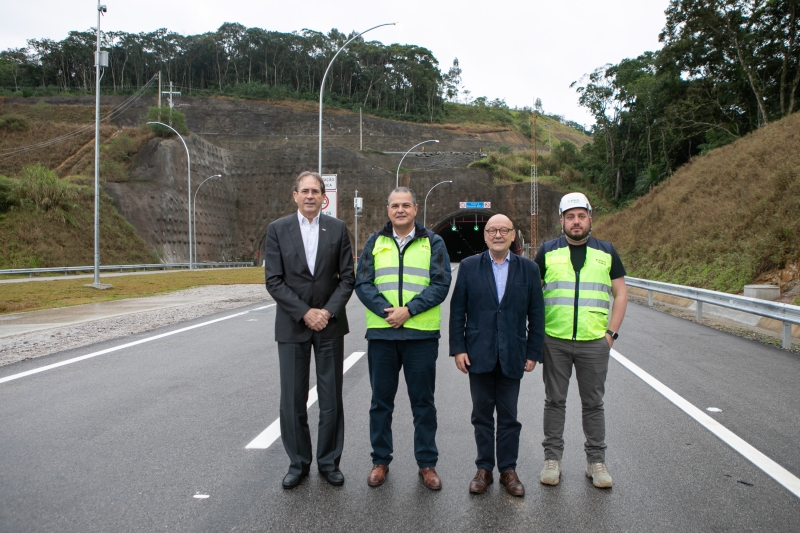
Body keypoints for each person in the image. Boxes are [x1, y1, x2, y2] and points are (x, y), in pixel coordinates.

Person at [355, 187, 452, 490]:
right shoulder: (375, 242)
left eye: (405, 205)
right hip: (383, 335)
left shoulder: (433, 242)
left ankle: (427, 464)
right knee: (380, 403)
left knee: (423, 403)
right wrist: (389, 313)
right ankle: (380, 460)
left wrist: (408, 311)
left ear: (415, 209)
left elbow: (441, 283)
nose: (400, 210)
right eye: (395, 205)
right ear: (388, 210)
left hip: (420, 337)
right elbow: (363, 282)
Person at [264, 171, 355, 489]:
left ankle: (329, 462)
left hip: (330, 326)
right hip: (292, 325)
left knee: (331, 398)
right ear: (295, 195)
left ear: (323, 197)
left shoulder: (339, 229)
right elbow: (273, 280)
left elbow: (348, 278)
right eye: (305, 191)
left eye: (316, 191)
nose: (310, 196)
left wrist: (327, 312)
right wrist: (305, 313)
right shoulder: (277, 230)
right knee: (292, 399)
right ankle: (298, 463)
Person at [534, 192, 628, 489]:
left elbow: (621, 294)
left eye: (581, 216)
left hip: (593, 342)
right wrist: (536, 334)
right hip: (555, 341)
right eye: (570, 216)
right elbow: (532, 296)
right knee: (555, 401)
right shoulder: (547, 251)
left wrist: (610, 334)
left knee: (593, 403)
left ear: (590, 218)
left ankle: (596, 462)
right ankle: (552, 459)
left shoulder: (607, 252)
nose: (576, 221)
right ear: (561, 220)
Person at [449, 214, 544, 497]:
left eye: (504, 230)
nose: (498, 234)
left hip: (513, 354)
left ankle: (508, 470)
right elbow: (457, 312)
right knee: (481, 416)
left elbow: (536, 315)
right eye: (492, 230)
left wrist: (533, 352)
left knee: (509, 417)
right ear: (485, 236)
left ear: (513, 235)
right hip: (478, 354)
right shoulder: (468, 267)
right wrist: (459, 349)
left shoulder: (528, 269)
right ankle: (484, 469)